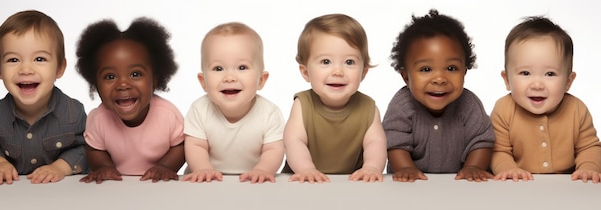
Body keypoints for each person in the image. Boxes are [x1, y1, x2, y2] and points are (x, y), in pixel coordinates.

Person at [0, 10, 88, 184]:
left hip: (61, 195)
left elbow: (88, 148)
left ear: (59, 68)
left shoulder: (73, 112)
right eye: (13, 60)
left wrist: (60, 167)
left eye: (39, 59)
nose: (26, 69)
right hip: (10, 196)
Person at [383, 9, 495, 182]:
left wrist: (474, 167)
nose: (440, 79)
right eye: (426, 69)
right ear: (406, 76)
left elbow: (481, 141)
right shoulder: (403, 105)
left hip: (457, 185)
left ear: (464, 72)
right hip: (413, 187)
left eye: (451, 68)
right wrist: (405, 168)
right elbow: (394, 142)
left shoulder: (469, 104)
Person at [491, 16, 601, 183]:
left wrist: (588, 167)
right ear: (506, 80)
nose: (537, 84)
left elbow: (589, 147)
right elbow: (498, 151)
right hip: (519, 186)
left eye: (550, 74)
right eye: (525, 73)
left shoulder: (576, 109)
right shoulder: (504, 109)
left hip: (567, 186)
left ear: (568, 81)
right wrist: (508, 168)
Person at [75, 17, 185, 184]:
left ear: (155, 80)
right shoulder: (99, 118)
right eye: (110, 76)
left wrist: (166, 166)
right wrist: (103, 166)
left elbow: (181, 146)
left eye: (135, 74)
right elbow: (94, 149)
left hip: (158, 188)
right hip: (117, 188)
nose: (123, 84)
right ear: (95, 84)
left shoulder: (168, 115)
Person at [282, 14, 387, 183]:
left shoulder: (368, 107)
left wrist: (372, 167)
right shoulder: (302, 104)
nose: (337, 71)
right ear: (305, 72)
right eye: (325, 62)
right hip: (303, 178)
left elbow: (375, 143)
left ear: (364, 72)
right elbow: (294, 141)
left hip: (350, 181)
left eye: (349, 62)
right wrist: (306, 169)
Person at [181, 22, 285, 183]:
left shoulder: (269, 113)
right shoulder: (199, 110)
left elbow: (274, 149)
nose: (229, 77)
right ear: (203, 82)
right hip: (208, 182)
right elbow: (196, 145)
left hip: (252, 182)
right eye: (218, 69)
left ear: (261, 80)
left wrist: (263, 169)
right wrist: (202, 169)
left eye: (242, 67)